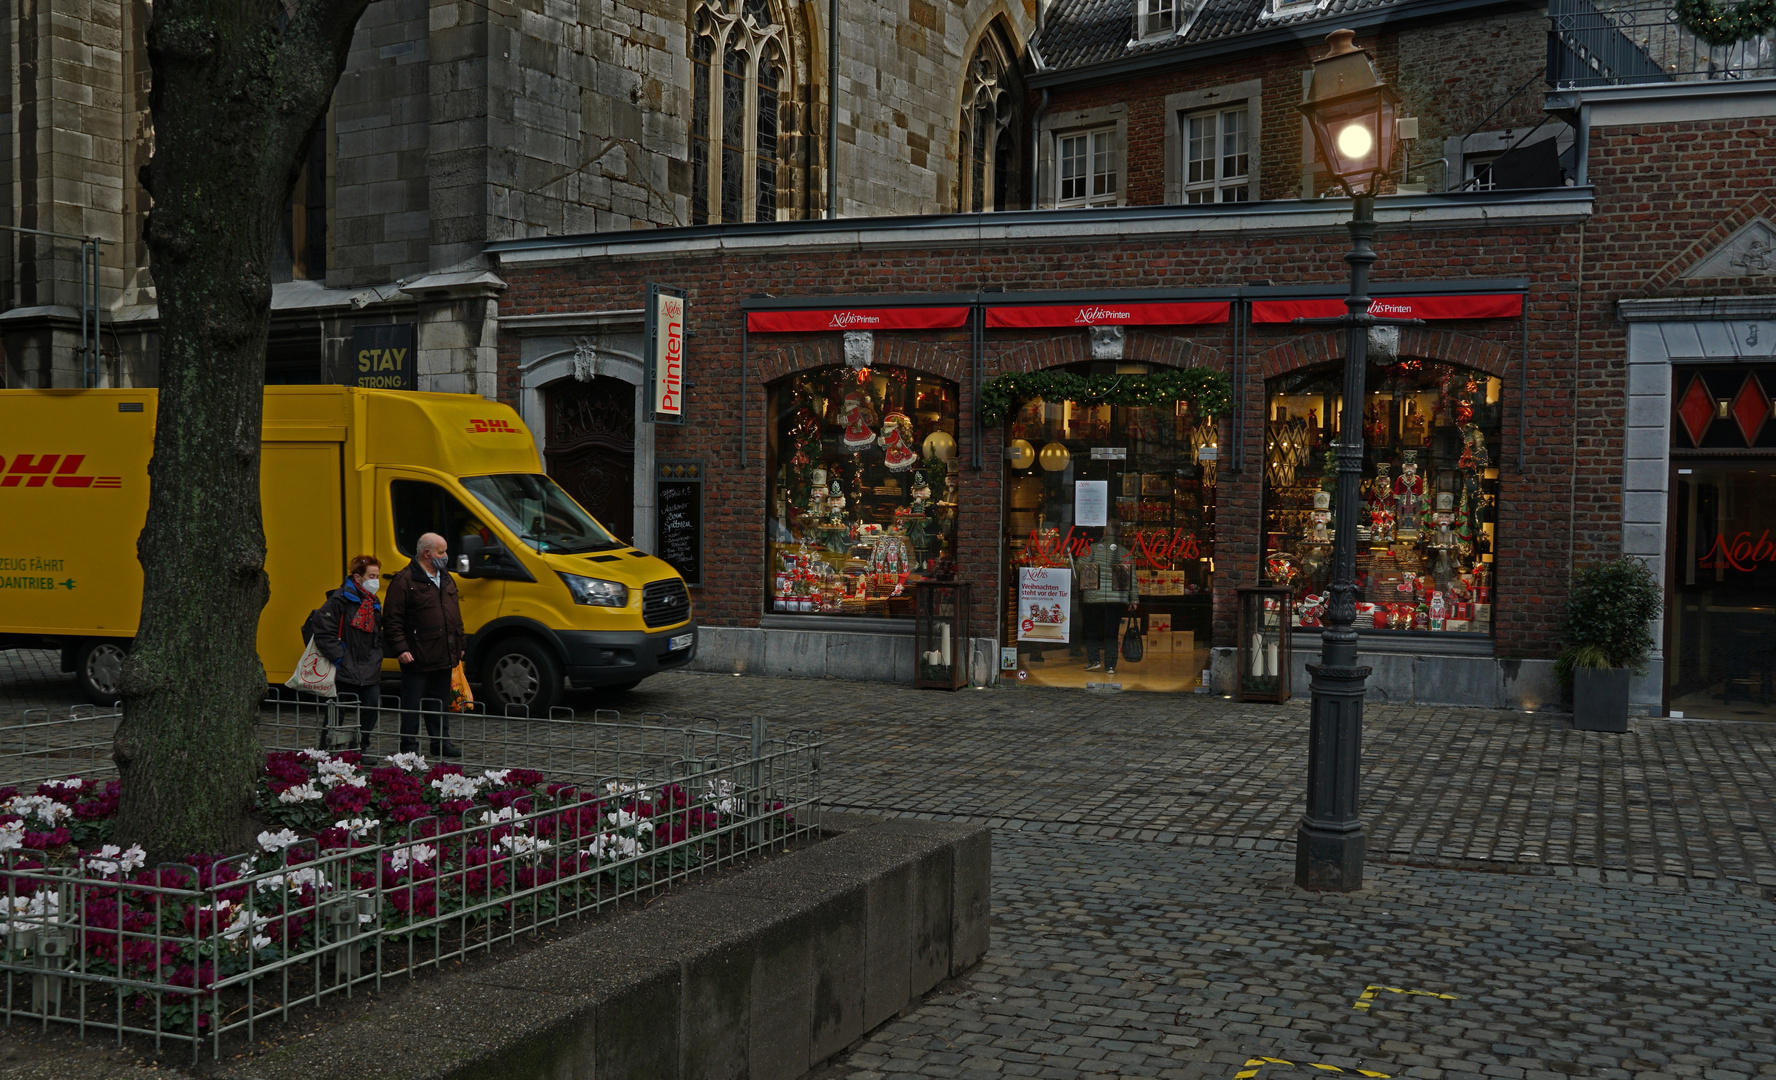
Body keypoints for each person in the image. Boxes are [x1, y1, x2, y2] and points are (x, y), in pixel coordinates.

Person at [383, 532, 466, 758]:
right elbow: (392, 619)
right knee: (411, 705)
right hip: (417, 655)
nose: (446, 556)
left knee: (439, 703)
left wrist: (460, 643)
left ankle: (440, 743)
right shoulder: (404, 580)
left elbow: (454, 616)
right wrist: (400, 648)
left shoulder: (446, 578)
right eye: (442, 552)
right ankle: (409, 748)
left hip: (443, 653)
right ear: (427, 553)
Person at [307, 555, 386, 751]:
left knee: (371, 707)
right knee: (336, 712)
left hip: (368, 666)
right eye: (372, 576)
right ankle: (326, 751)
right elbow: (323, 630)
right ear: (358, 577)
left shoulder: (373, 602)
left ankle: (361, 747)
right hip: (344, 666)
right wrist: (340, 657)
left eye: (377, 575)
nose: (375, 580)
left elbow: (376, 635)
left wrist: (376, 657)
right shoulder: (340, 599)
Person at [1073, 521, 1138, 676]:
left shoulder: (1091, 550)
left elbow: (1079, 566)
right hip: (1116, 599)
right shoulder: (1124, 552)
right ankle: (1110, 665)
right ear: (1119, 534)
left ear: (1104, 532)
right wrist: (1133, 599)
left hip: (1093, 598)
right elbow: (1132, 578)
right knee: (1111, 633)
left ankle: (1094, 661)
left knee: (1092, 631)